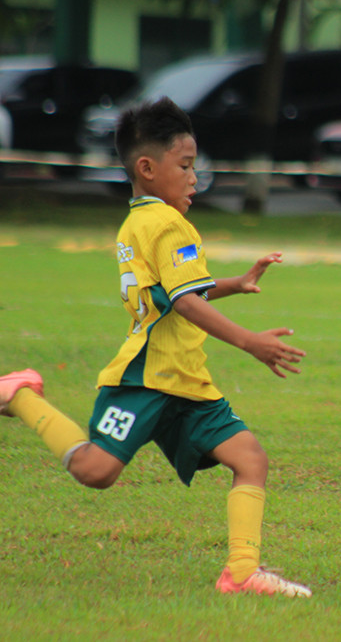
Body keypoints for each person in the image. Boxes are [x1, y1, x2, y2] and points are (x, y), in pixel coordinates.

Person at [0, 97, 311, 598]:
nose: (194, 178)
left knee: (250, 457)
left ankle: (241, 573)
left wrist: (233, 283)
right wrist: (250, 341)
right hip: (147, 377)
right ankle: (19, 395)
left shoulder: (137, 223)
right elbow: (184, 301)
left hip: (185, 379)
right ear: (147, 168)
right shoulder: (169, 225)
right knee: (95, 471)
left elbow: (177, 291)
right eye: (185, 166)